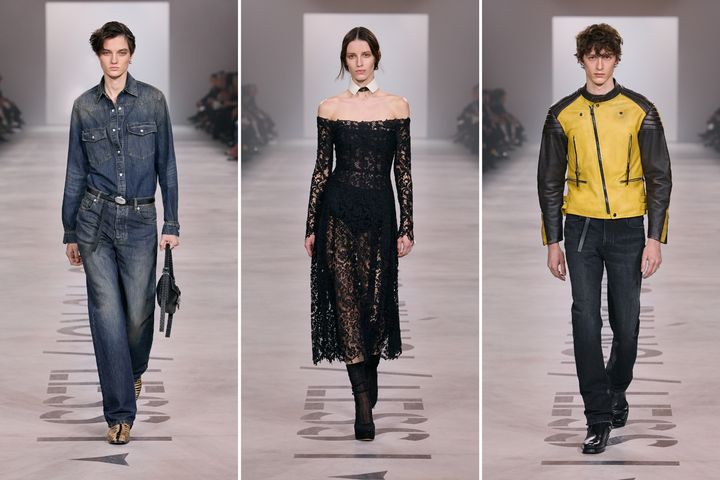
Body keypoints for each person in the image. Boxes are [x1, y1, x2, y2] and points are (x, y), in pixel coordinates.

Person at [537, 23, 672, 454]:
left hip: (629, 228)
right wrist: (553, 241)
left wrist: (655, 238)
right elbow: (549, 182)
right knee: (585, 320)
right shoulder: (561, 114)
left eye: (606, 56)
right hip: (581, 228)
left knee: (626, 326)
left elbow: (659, 177)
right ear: (581, 60)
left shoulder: (641, 110)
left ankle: (616, 388)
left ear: (616, 59)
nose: (599, 64)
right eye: (592, 56)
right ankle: (597, 416)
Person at [61, 21, 180, 445]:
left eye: (121, 52)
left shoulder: (152, 101)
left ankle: (134, 371)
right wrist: (70, 230)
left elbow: (167, 165)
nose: (114, 60)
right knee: (107, 316)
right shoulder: (83, 107)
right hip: (94, 220)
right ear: (99, 55)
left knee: (138, 315)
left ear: (131, 54)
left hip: (141, 220)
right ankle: (119, 414)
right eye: (107, 52)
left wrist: (171, 222)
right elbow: (75, 170)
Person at [304, 26, 414, 441]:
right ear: (344, 61)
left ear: (376, 57)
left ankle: (369, 371)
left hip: (380, 215)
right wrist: (311, 225)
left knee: (375, 306)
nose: (359, 63)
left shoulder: (397, 105)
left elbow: (403, 171)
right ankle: (362, 403)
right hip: (337, 214)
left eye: (365, 55)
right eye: (352, 56)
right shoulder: (330, 107)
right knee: (346, 302)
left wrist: (408, 225)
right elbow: (321, 169)